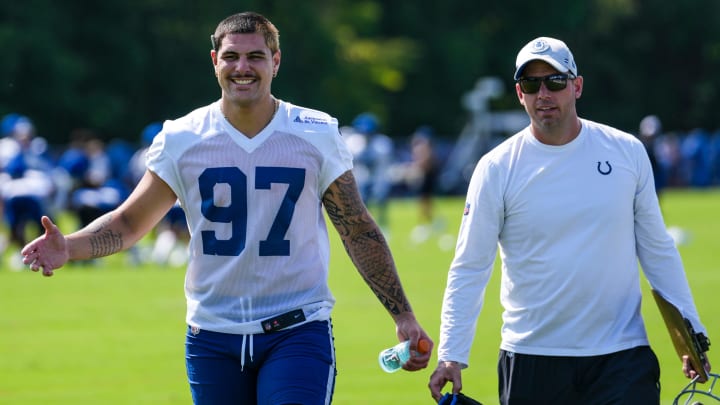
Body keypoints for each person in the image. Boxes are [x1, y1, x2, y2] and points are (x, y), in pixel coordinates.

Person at [21, 11, 432, 405]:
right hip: (213, 334)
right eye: (232, 56)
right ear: (215, 61)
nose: (243, 68)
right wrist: (69, 247)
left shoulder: (315, 133)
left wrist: (403, 315)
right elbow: (130, 221)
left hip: (296, 327)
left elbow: (356, 229)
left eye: (255, 56)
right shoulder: (183, 137)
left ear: (276, 61)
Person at [428, 36, 711, 404]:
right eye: (532, 84)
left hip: (621, 356)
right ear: (519, 93)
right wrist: (452, 353)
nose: (543, 93)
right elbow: (469, 266)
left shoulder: (626, 152)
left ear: (576, 86)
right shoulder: (495, 168)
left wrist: (691, 331)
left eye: (555, 81)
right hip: (532, 356)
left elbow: (657, 249)